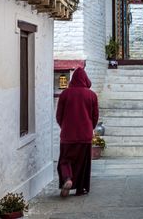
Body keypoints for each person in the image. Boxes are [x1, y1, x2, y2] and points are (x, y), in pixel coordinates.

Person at [56, 67, 99, 197]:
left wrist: (64, 127)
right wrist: (90, 128)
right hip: (85, 135)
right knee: (83, 163)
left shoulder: (65, 94)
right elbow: (95, 116)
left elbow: (59, 115)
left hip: (68, 135)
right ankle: (81, 189)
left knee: (65, 160)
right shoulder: (91, 95)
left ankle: (67, 179)